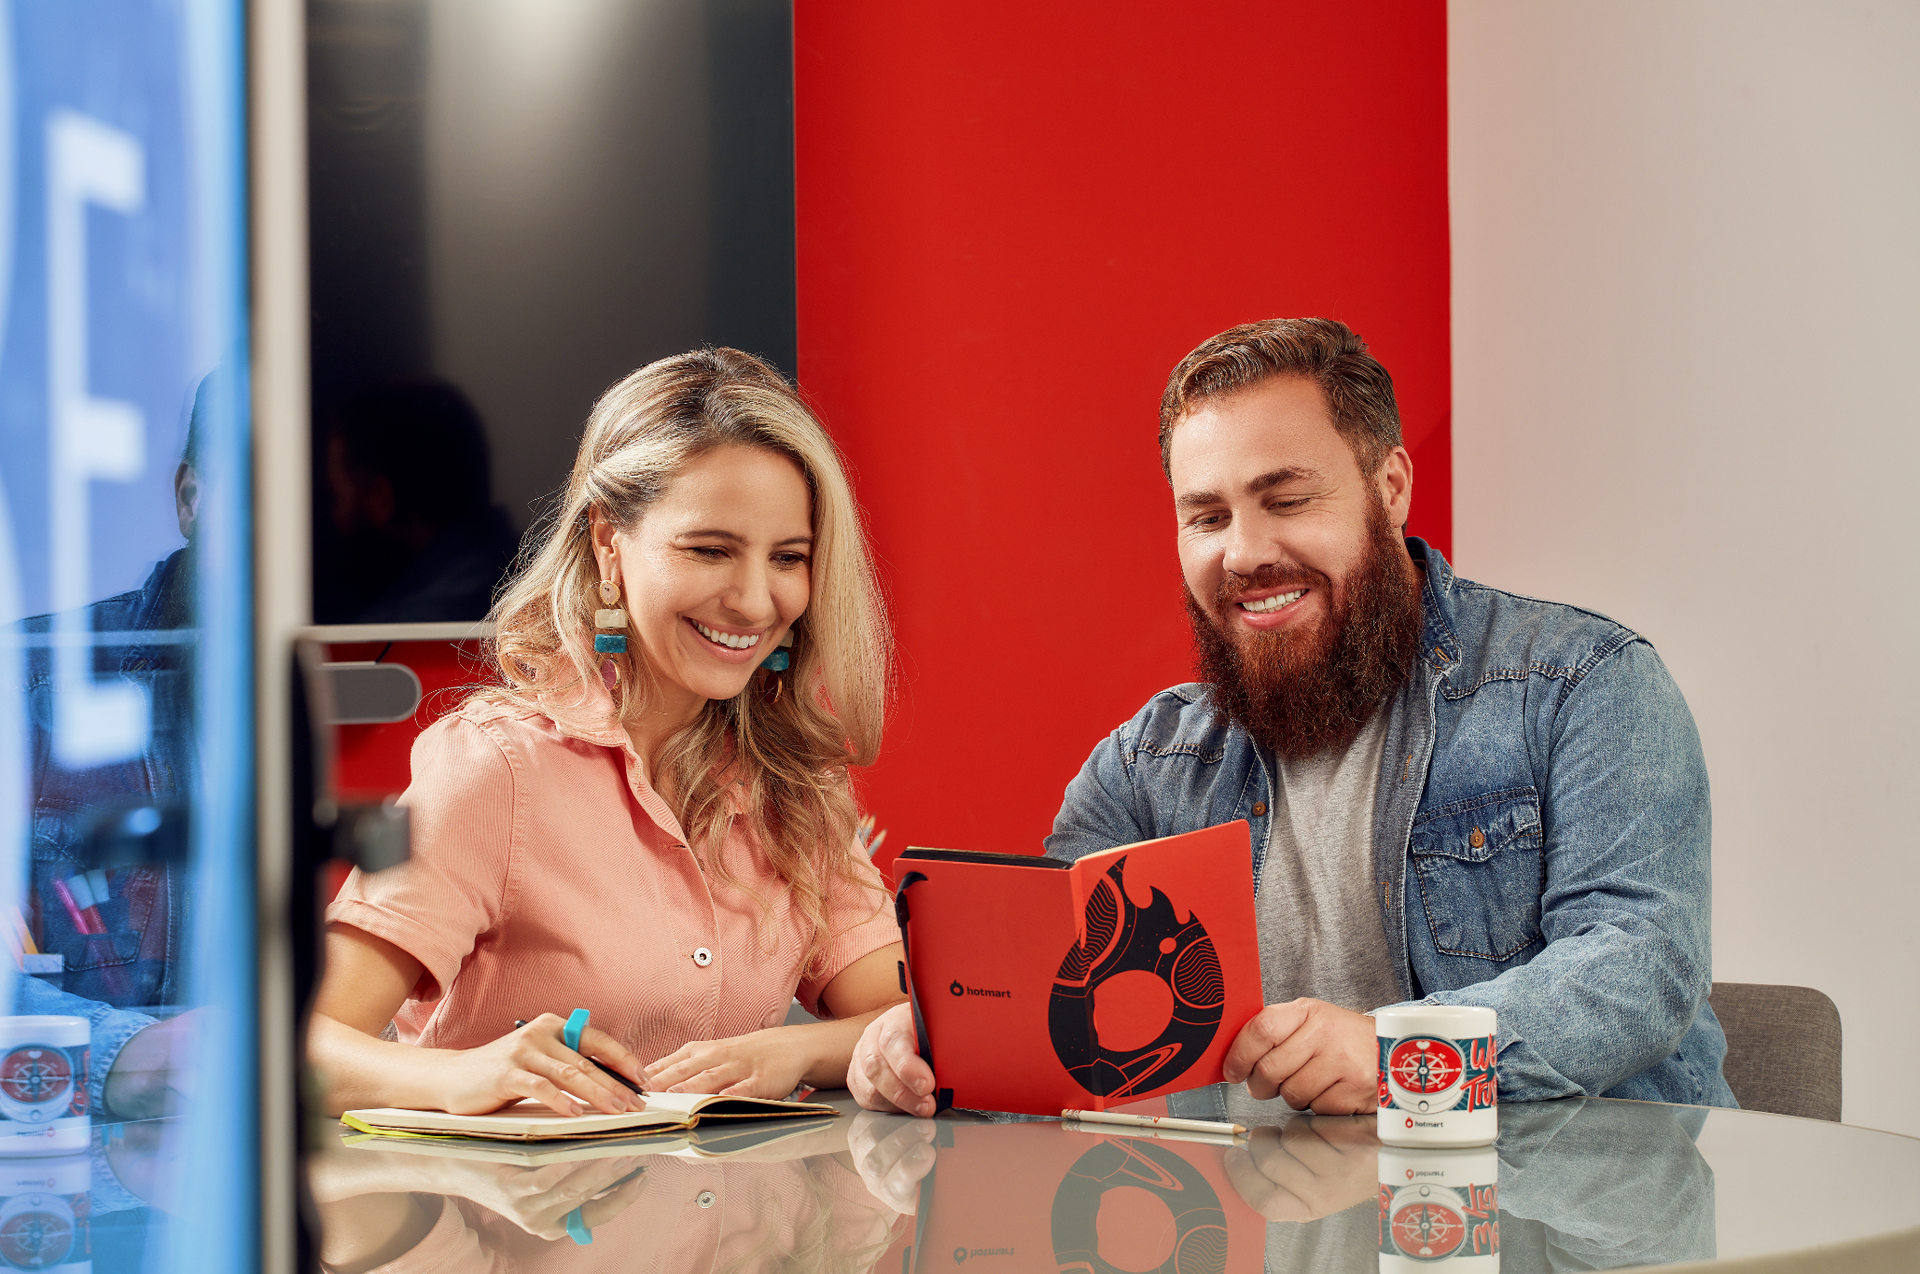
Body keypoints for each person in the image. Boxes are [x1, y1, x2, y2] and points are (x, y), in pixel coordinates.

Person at [851, 317, 1732, 1117]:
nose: (1244, 553)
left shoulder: (1581, 684)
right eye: (1207, 516)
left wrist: (1399, 1055)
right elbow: (1050, 1010)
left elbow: (1638, 967)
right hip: (1265, 1230)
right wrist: (919, 1044)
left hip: (1574, 1219)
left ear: (1389, 488)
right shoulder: (1141, 768)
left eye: (1287, 499)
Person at [309, 348, 906, 1117]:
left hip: (740, 1232)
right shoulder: (498, 769)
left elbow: (910, 1022)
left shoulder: (794, 783)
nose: (756, 601)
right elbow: (301, 1047)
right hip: (505, 1226)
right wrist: (465, 1077)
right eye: (710, 550)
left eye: (787, 558)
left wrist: (792, 1050)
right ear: (606, 543)